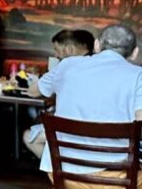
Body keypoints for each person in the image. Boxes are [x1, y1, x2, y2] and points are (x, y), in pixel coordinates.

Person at [34, 24, 142, 187]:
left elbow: (36, 89)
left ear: (97, 45)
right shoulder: (138, 76)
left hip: (64, 174)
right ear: (135, 53)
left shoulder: (67, 65)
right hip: (117, 178)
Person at [23, 28, 95, 159]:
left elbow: (33, 92)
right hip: (104, 133)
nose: (56, 55)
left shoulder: (66, 65)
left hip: (73, 131)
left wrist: (37, 78)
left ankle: (59, 173)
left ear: (69, 49)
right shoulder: (102, 65)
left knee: (28, 137)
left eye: (57, 50)